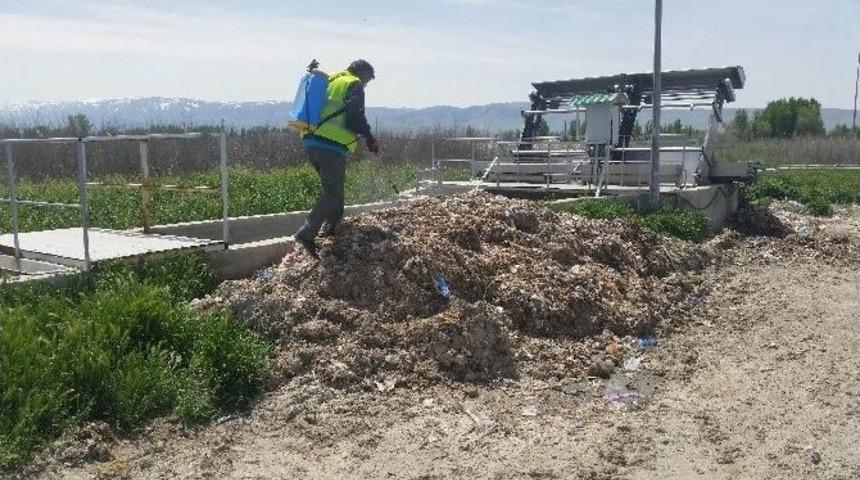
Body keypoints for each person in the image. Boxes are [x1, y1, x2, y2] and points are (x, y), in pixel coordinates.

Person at [294, 59, 380, 259]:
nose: (366, 84)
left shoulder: (331, 80)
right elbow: (354, 116)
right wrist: (370, 139)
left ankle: (332, 227)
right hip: (330, 145)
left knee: (335, 189)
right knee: (332, 193)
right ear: (362, 74)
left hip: (311, 141)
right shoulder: (353, 83)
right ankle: (305, 234)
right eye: (367, 79)